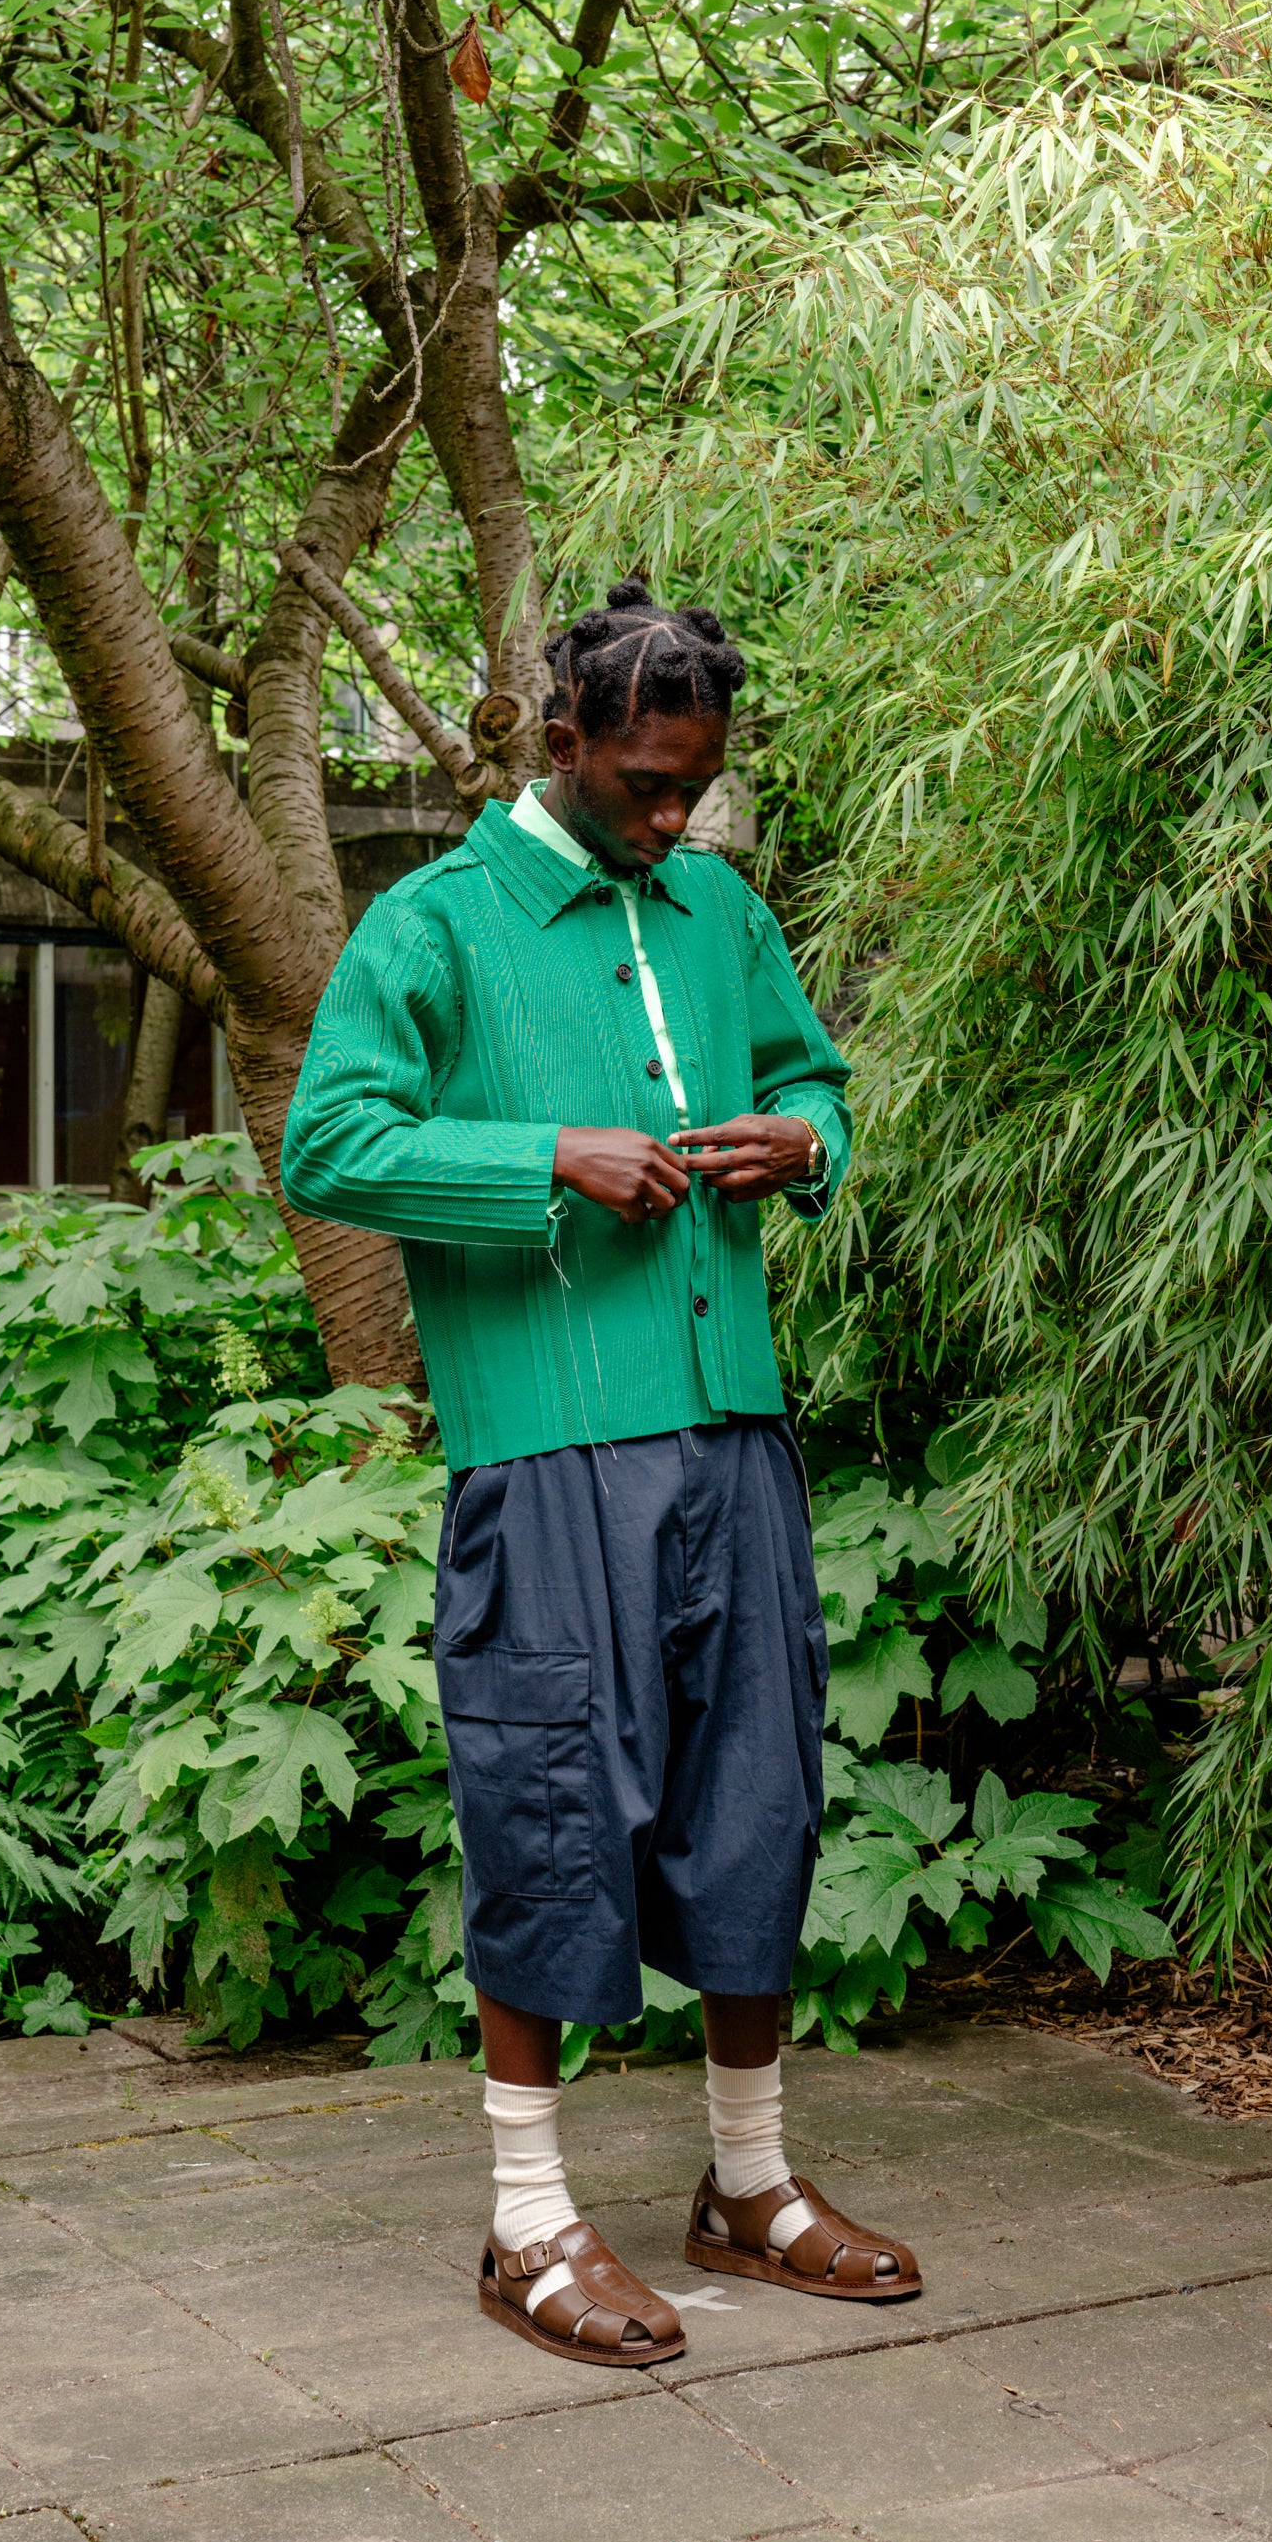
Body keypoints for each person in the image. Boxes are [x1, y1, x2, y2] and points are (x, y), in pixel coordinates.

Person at [280, 577, 920, 2369]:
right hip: (550, 1449)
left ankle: (748, 2181)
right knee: (554, 1807)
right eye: (644, 781)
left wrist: (807, 1143)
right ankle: (530, 2225)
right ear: (557, 740)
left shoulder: (716, 908)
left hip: (734, 1425)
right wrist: (544, 1155)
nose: (672, 816)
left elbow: (816, 1081)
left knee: (755, 1797)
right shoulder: (437, 923)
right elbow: (328, 1142)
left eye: (694, 785)